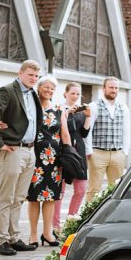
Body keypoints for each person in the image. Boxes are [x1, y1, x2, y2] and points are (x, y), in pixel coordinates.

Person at [0, 59, 44, 256]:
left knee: (19, 198)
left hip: (29, 150)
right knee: (6, 197)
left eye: (36, 76)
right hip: (12, 150)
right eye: (30, 75)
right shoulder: (7, 90)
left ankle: (14, 237)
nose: (33, 79)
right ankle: (1, 240)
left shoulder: (33, 93)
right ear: (20, 73)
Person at [25, 76, 69, 247]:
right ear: (39, 87)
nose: (49, 90)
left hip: (54, 159)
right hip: (34, 157)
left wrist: (68, 152)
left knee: (51, 197)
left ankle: (47, 233)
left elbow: (64, 133)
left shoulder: (59, 108)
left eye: (52, 88)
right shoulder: (31, 107)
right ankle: (33, 235)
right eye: (46, 87)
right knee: (34, 197)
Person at [51, 82, 91, 237]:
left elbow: (85, 133)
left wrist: (87, 116)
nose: (75, 96)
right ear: (65, 94)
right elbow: (58, 128)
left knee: (81, 189)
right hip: (63, 151)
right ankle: (55, 226)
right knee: (59, 190)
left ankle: (71, 221)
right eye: (73, 93)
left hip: (79, 152)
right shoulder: (58, 109)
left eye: (77, 94)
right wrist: (67, 113)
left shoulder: (81, 111)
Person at [87, 76, 129, 202]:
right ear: (103, 88)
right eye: (111, 87)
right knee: (94, 189)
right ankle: (87, 218)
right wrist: (89, 151)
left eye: (116, 88)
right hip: (98, 153)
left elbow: (126, 131)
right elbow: (88, 130)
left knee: (116, 189)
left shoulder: (123, 107)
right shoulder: (94, 106)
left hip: (117, 154)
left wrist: (125, 152)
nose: (113, 90)